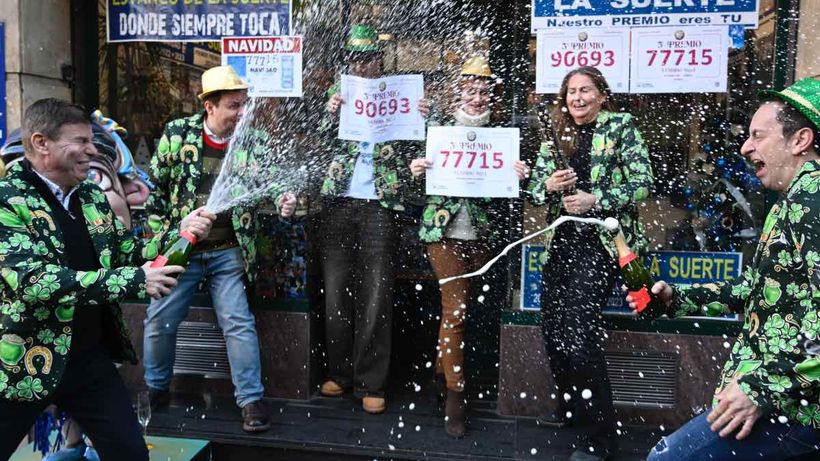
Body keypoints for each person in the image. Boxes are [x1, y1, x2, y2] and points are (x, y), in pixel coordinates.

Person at [0, 98, 214, 460]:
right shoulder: (7, 200)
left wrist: (181, 233)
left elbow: (125, 249)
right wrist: (134, 281)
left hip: (88, 360)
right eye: (80, 141)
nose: (91, 150)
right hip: (20, 362)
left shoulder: (90, 196)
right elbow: (34, 281)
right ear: (41, 143)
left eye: (92, 141)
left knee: (130, 453)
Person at [630, 78, 820, 461]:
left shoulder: (814, 197)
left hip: (791, 410)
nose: (745, 147)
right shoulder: (793, 198)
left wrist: (762, 388)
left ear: (800, 140)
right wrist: (677, 298)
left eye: (758, 136)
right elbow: (756, 287)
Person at [142, 65, 296, 433]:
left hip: (229, 252)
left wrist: (287, 200)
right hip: (182, 252)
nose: (241, 113)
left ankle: (251, 401)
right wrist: (168, 238)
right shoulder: (177, 135)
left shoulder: (253, 141)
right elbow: (155, 194)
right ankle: (155, 389)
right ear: (209, 106)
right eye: (233, 105)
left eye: (244, 104)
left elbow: (274, 185)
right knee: (159, 323)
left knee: (238, 323)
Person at [520, 66, 653, 461]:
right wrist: (547, 186)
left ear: (601, 94)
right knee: (554, 329)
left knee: (578, 337)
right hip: (561, 242)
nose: (577, 97)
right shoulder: (554, 135)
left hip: (601, 245)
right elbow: (534, 192)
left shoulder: (621, 126)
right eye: (571, 91)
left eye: (585, 90)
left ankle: (600, 440)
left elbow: (644, 182)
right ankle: (571, 410)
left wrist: (596, 199)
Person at [318, 24, 428, 414]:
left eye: (368, 58)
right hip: (338, 203)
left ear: (379, 61)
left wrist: (424, 116)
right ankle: (340, 373)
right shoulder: (337, 96)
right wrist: (328, 113)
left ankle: (371, 382)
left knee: (376, 293)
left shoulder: (397, 94)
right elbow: (315, 141)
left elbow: (420, 143)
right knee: (336, 291)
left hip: (382, 204)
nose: (362, 65)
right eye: (355, 59)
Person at [408, 56, 502, 437]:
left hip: (479, 237)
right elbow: (409, 179)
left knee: (457, 315)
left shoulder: (501, 134)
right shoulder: (436, 129)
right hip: (443, 237)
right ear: (458, 92)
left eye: (483, 92)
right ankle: (455, 397)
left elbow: (510, 189)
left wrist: (518, 174)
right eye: (470, 90)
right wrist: (416, 170)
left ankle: (438, 373)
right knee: (457, 312)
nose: (477, 98)